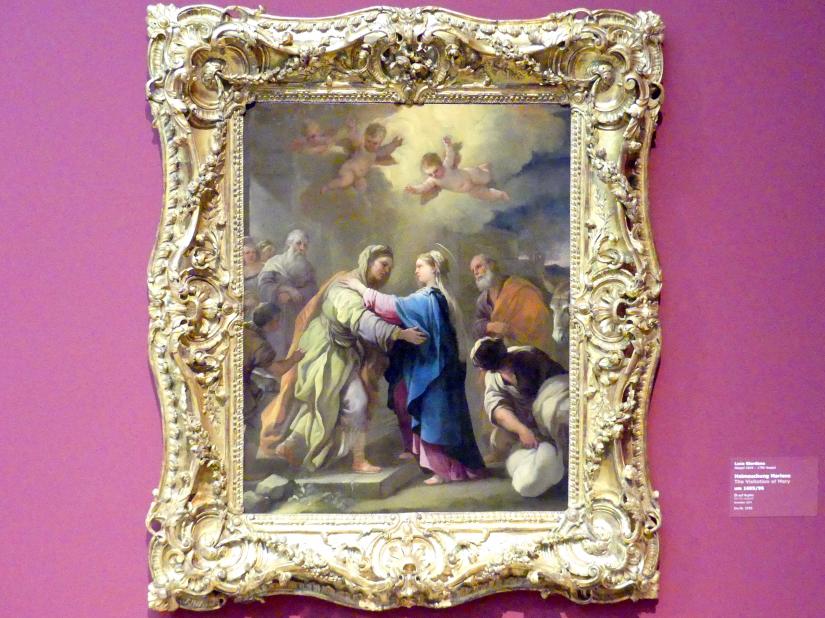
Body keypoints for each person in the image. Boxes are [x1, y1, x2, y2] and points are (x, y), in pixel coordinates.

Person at [257, 245, 427, 473]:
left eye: (390, 267)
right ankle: (349, 457)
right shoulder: (345, 287)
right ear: (368, 261)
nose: (386, 271)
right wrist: (398, 333)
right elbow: (360, 319)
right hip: (323, 351)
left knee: (333, 402)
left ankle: (295, 445)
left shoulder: (363, 287)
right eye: (383, 264)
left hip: (344, 352)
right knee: (337, 401)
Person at [342, 249, 488, 485]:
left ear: (435, 269)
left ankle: (445, 471)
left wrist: (360, 288)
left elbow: (393, 306)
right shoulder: (436, 297)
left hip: (435, 371)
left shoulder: (430, 297)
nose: (416, 270)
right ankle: (454, 469)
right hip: (439, 368)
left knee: (435, 418)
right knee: (439, 417)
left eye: (421, 266)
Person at [471, 337, 569, 497]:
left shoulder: (529, 356)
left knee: (555, 412)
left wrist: (542, 412)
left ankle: (566, 467)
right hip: (528, 423)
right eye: (500, 367)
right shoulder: (493, 378)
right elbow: (497, 407)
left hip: (555, 411)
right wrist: (521, 429)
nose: (506, 368)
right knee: (500, 440)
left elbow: (558, 384)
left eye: (506, 363)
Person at [469, 254, 557, 362]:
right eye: (473, 270)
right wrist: (490, 326)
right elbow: (476, 327)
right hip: (501, 358)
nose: (476, 272)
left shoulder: (520, 289)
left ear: (491, 265)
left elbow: (541, 324)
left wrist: (512, 331)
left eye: (478, 266)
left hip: (531, 354)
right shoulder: (483, 300)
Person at [258, 229, 318, 357]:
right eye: (298, 243)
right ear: (289, 244)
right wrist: (283, 290)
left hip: (299, 317)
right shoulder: (274, 263)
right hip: (276, 319)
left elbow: (313, 290)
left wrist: (294, 294)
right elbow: (263, 287)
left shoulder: (308, 268)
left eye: (305, 245)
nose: (302, 248)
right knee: (276, 354)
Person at [243, 303, 305, 425]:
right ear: (268, 323)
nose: (279, 325)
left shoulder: (245, 329)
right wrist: (294, 358)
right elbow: (278, 370)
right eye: (276, 321)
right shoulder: (259, 345)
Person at [405, 136, 510, 204]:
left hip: (470, 174)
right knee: (483, 195)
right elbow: (423, 187)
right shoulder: (433, 181)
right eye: (430, 174)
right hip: (469, 188)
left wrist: (448, 145)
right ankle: (500, 194)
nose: (434, 175)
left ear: (440, 165)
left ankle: (484, 168)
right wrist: (414, 189)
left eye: (435, 171)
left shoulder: (446, 166)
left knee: (486, 178)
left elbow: (450, 155)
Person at [242, 237, 264, 318]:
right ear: (242, 255)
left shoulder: (264, 267)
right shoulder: (239, 271)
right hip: (248, 306)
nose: (251, 255)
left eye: (253, 252)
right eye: (247, 253)